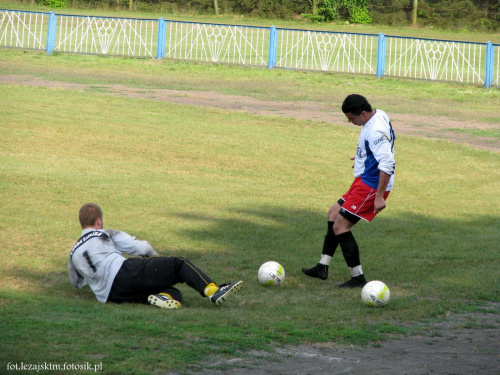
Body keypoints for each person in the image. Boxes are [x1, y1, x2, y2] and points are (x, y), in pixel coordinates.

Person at [69, 203, 243, 309]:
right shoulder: (105, 234)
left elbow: (76, 282)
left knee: (171, 290)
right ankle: (213, 291)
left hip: (109, 297)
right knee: (178, 264)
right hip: (124, 273)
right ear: (98, 221)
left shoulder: (73, 252)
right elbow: (138, 247)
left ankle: (164, 298)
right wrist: (154, 257)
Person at [302, 94, 396, 288]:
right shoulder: (378, 114)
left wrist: (379, 196)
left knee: (341, 227)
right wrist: (364, 155)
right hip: (363, 180)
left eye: (352, 118)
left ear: (363, 113)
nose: (350, 122)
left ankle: (358, 278)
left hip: (371, 186)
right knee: (333, 213)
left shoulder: (375, 130)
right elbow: (385, 147)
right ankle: (322, 266)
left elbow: (387, 162)